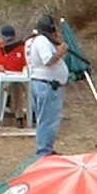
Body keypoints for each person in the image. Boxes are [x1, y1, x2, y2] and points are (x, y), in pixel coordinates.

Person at [23, 13, 69, 157]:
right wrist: (60, 52)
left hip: (38, 83)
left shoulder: (30, 41)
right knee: (48, 120)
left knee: (44, 119)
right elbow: (48, 60)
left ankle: (45, 148)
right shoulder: (42, 40)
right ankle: (44, 151)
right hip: (48, 85)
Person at [0, 25, 29, 128]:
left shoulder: (21, 48)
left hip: (18, 79)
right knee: (0, 88)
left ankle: (20, 117)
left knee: (17, 86)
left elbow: (27, 64)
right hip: (3, 79)